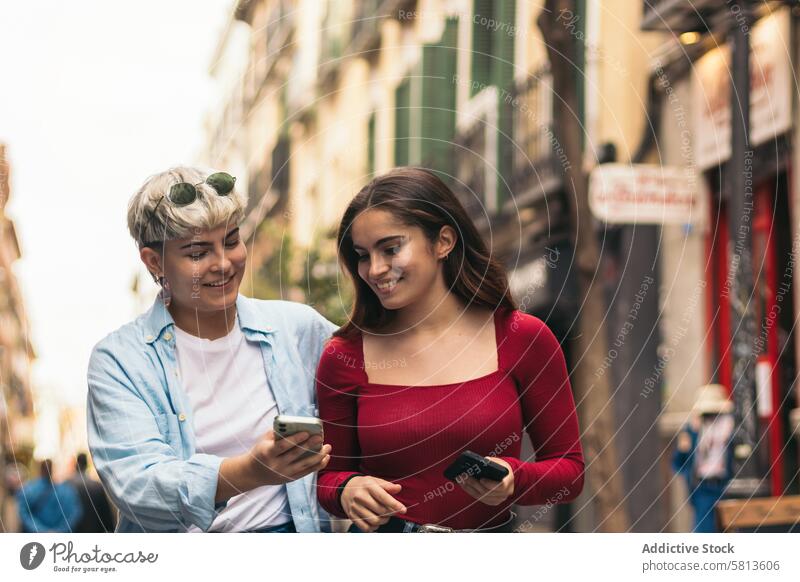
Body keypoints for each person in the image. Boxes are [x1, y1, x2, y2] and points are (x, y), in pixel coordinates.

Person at [316, 167, 584, 533]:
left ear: (443, 241)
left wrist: (514, 479)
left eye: (390, 248)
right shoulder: (344, 355)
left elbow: (569, 472)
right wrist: (347, 490)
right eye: (362, 255)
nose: (374, 269)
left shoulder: (523, 337)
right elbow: (329, 477)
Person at [87, 166, 335, 532]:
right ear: (154, 262)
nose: (223, 263)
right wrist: (249, 472)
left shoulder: (298, 327)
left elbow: (378, 388)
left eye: (232, 241)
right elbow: (136, 484)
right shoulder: (118, 361)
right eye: (197, 252)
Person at [672, 384, 735, 533]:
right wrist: (684, 448)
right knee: (704, 531)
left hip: (725, 487)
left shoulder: (730, 429)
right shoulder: (692, 431)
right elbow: (677, 463)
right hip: (702, 488)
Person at [17, 460, 82, 533]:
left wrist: (41, 530)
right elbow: (75, 514)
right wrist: (59, 531)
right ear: (53, 470)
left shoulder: (28, 489)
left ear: (40, 470)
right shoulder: (68, 491)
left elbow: (23, 514)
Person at [68, 453, 116, 532]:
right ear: (86, 465)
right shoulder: (97, 486)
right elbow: (106, 515)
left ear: (76, 465)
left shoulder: (67, 485)